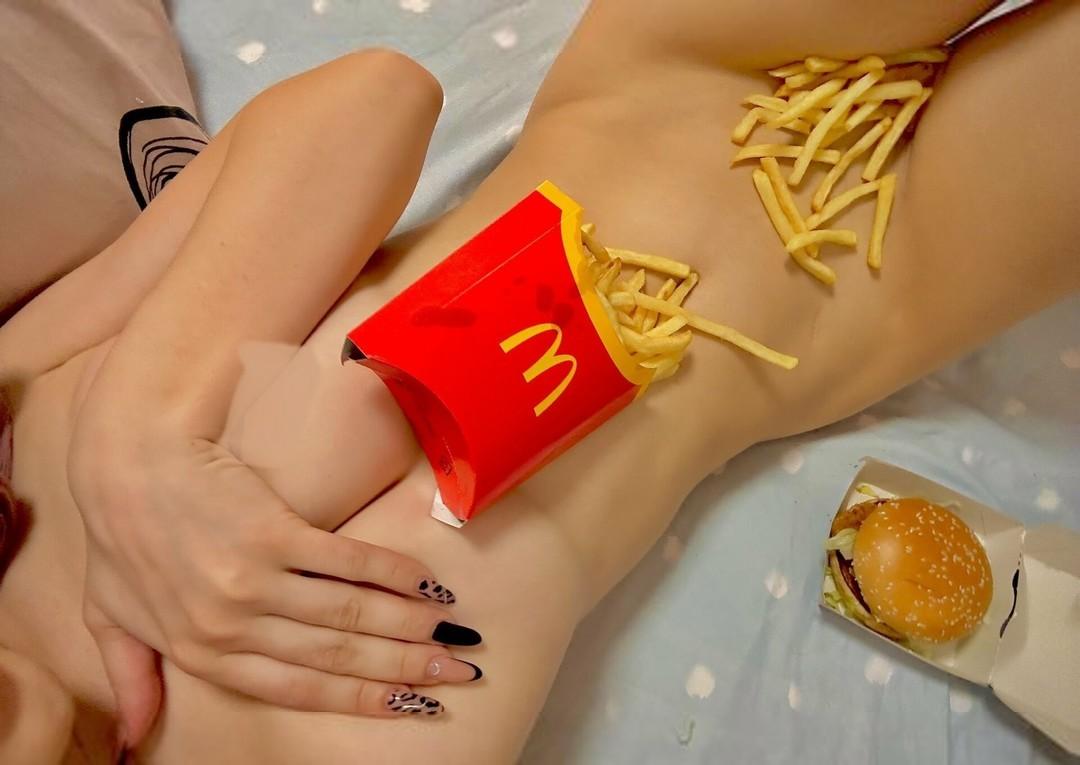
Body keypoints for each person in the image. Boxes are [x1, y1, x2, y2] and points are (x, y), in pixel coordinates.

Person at [2, 1, 1078, 763]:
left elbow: (373, 99)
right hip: (852, 293)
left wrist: (137, 433)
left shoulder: (21, 414)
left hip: (677, 72)